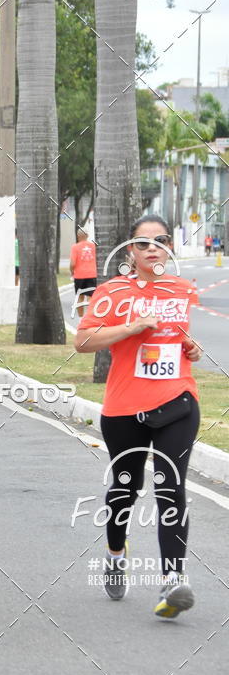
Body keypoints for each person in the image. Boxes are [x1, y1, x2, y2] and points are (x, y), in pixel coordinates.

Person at [75, 214, 201, 619]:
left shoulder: (182, 289)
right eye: (144, 243)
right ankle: (115, 553)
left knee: (171, 486)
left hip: (177, 400)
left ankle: (172, 581)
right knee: (124, 490)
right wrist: (131, 326)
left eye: (161, 241)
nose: (153, 248)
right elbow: (83, 342)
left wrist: (190, 348)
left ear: (170, 247)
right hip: (125, 407)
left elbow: (176, 339)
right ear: (130, 250)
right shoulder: (111, 292)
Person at [70, 228, 97, 317]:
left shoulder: (75, 247)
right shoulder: (93, 246)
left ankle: (81, 319)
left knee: (80, 298)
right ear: (87, 236)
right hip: (92, 275)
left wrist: (71, 272)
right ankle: (90, 318)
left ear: (78, 236)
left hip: (79, 276)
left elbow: (73, 263)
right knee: (91, 297)